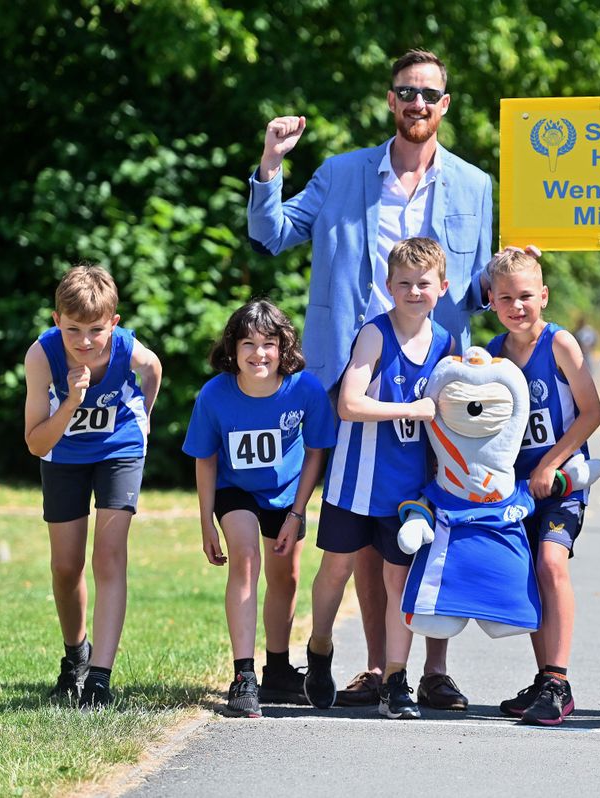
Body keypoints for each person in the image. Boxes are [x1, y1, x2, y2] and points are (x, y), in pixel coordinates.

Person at [247, 49, 492, 708]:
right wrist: (270, 164)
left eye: (429, 93)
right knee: (357, 530)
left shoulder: (474, 185)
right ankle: (381, 667)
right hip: (345, 373)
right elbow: (271, 234)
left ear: (445, 105)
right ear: (391, 99)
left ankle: (430, 670)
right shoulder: (341, 174)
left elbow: (474, 293)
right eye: (406, 91)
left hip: (434, 383)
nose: (417, 102)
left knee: (430, 522)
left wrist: (504, 279)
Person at [307, 237, 455, 718]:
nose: (414, 292)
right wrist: (411, 408)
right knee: (336, 570)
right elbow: (348, 403)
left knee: (400, 580)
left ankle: (396, 679)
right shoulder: (374, 334)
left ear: (443, 287)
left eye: (424, 284)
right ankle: (320, 648)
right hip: (356, 482)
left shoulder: (447, 343)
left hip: (407, 490)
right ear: (389, 286)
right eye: (405, 284)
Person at [183, 300, 336, 718]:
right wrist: (206, 524)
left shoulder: (305, 389)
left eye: (269, 343)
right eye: (248, 343)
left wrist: (297, 511)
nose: (259, 353)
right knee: (246, 560)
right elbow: (205, 457)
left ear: (284, 347)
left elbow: (317, 449)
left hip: (286, 496)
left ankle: (279, 668)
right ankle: (243, 675)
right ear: (232, 348)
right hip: (235, 492)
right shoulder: (215, 394)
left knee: (285, 577)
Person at [23, 264, 162, 708]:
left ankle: (100, 677)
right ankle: (75, 656)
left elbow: (153, 370)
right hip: (62, 452)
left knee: (108, 553)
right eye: (73, 330)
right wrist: (71, 403)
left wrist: (144, 419)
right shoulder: (42, 357)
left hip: (118, 448)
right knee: (66, 566)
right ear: (55, 321)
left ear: (114, 324)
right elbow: (35, 441)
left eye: (96, 330)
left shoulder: (127, 350)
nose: (85, 341)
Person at [485, 250, 600, 726]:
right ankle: (544, 678)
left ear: (544, 297)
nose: (517, 306)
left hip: (562, 480)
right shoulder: (491, 353)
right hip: (515, 488)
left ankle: (559, 680)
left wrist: (551, 463)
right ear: (491, 300)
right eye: (506, 297)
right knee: (530, 574)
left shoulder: (561, 344)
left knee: (552, 562)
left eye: (527, 296)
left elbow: (592, 413)